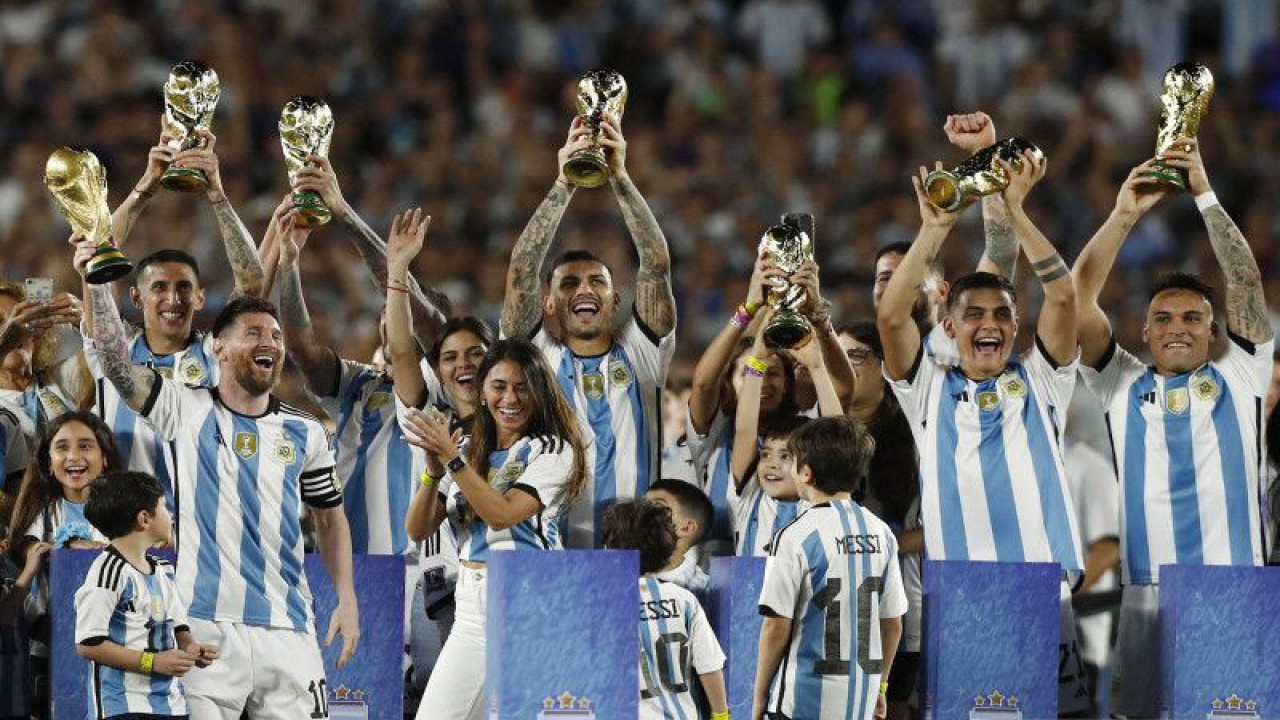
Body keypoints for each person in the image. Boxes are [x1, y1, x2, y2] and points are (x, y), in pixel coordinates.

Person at [82, 255, 358, 720]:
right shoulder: (182, 407)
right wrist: (94, 278)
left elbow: (329, 518)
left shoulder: (306, 432)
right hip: (201, 627)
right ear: (219, 348)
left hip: (288, 627)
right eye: (253, 333)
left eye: (275, 336)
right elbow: (115, 360)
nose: (268, 342)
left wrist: (346, 598)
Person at [877, 152, 1090, 714]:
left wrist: (1017, 210)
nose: (989, 324)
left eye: (1002, 315)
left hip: (1045, 592)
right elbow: (892, 320)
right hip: (962, 595)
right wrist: (933, 230)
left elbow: (1064, 296)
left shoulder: (1045, 381)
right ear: (948, 326)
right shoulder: (927, 388)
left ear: (1017, 326)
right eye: (974, 315)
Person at [1071, 140, 1272, 719]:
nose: (1176, 327)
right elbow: (1074, 298)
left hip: (1232, 592)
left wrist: (1205, 193)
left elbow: (1246, 284)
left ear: (1215, 333)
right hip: (1143, 604)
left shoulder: (1243, 376)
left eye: (1192, 318)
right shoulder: (1119, 384)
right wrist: (1124, 215)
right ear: (1144, 331)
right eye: (1162, 318)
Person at [499, 112, 676, 549]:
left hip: (635, 552)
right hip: (555, 549)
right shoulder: (537, 358)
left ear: (617, 300)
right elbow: (522, 269)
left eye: (598, 281)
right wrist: (565, 183)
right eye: (570, 283)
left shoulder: (642, 352)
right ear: (550, 302)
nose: (585, 289)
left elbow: (655, 262)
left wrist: (619, 177)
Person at [401, 337, 586, 720]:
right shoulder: (468, 448)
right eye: (499, 386)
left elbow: (501, 514)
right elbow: (418, 530)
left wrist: (451, 460)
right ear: (483, 392)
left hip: (528, 599)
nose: (511, 398)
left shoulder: (553, 448)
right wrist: (433, 473)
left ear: (540, 392)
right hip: (471, 605)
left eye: (523, 387)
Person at [84, 127, 265, 499]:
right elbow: (97, 255)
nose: (173, 298)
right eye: (160, 288)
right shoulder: (113, 348)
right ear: (136, 297)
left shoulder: (218, 352)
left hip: (200, 522)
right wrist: (146, 186)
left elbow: (251, 280)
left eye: (184, 287)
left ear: (200, 298)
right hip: (123, 527)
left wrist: (216, 191)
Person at [688, 253, 852, 555]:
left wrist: (816, 332)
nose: (763, 382)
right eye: (766, 454)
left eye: (774, 374)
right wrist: (750, 314)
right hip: (719, 573)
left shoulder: (810, 443)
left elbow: (839, 424)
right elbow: (711, 393)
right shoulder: (724, 438)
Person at [753, 416, 906, 720]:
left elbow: (776, 625)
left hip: (802, 700)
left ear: (806, 473)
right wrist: (881, 687)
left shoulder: (795, 535)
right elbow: (893, 623)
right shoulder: (881, 532)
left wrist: (759, 695)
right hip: (860, 700)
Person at [75, 471, 216, 719]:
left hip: (171, 705)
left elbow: (178, 625)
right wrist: (154, 662)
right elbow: (89, 645)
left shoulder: (164, 570)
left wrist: (191, 647)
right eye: (163, 507)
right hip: (122, 707)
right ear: (144, 519)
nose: (170, 516)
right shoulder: (108, 571)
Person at [6, 411, 120, 719]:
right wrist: (65, 547)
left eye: (85, 446)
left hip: (113, 649)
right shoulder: (41, 515)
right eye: (62, 447)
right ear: (47, 461)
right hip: (50, 651)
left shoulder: (125, 512)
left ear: (105, 456)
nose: (74, 457)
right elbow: (29, 548)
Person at [837, 321, 922, 720]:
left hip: (901, 601)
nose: (844, 364)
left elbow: (944, 520)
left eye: (855, 355)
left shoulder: (917, 434)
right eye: (835, 355)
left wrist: (882, 547)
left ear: (885, 365)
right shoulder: (818, 433)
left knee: (893, 709)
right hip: (835, 603)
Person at [729, 309, 845, 558]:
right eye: (767, 455)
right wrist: (757, 360)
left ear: (809, 469)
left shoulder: (821, 499)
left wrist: (816, 365)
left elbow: (838, 434)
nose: (771, 465)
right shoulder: (750, 492)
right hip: (749, 595)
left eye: (785, 457)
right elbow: (745, 428)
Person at [601, 498, 729, 720]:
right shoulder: (684, 600)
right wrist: (721, 716)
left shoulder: (600, 604)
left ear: (610, 547)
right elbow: (709, 666)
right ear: (667, 547)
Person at [0, 281, 86, 493]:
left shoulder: (59, 380)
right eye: (0, 323)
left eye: (19, 321)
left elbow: (114, 359)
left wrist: (87, 319)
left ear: (36, 332)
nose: (11, 329)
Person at [644, 478, 715, 593]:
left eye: (656, 508)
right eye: (641, 507)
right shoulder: (617, 578)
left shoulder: (704, 590)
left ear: (686, 528)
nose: (641, 514)